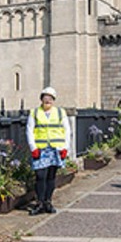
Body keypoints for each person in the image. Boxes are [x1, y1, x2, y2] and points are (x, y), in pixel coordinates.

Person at [26, 86, 71, 215]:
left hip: (56, 148)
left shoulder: (60, 112)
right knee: (40, 176)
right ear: (41, 99)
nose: (48, 100)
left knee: (51, 176)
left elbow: (67, 130)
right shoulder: (34, 112)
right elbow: (29, 130)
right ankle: (39, 203)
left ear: (54, 100)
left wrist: (65, 148)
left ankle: (48, 202)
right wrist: (33, 147)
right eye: (45, 98)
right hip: (40, 149)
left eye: (50, 98)